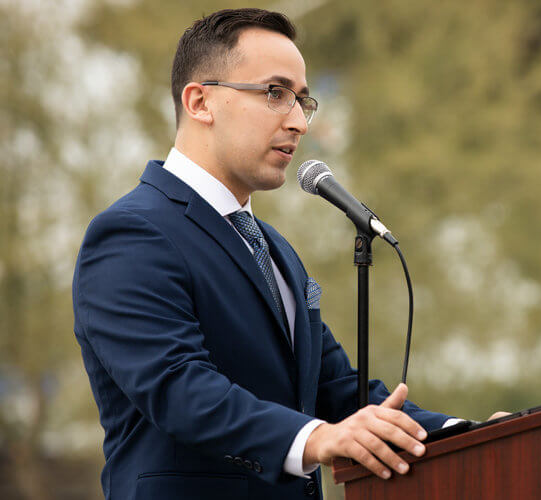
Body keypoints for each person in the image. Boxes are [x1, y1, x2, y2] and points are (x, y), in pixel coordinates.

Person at [73, 8, 508, 500]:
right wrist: (318, 437)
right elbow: (177, 387)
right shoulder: (132, 232)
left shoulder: (273, 249)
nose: (300, 122)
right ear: (200, 101)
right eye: (276, 94)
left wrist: (473, 435)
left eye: (304, 101)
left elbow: (340, 392)